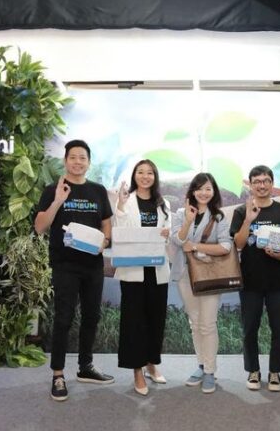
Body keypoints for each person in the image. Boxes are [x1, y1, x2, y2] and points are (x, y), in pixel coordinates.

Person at [34, 139, 114, 402]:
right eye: (73, 157)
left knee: (92, 316)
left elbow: (106, 223)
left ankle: (85, 366)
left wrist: (105, 241)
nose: (78, 162)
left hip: (92, 265)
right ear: (65, 160)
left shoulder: (98, 191)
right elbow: (40, 227)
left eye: (83, 158)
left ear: (88, 162)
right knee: (63, 319)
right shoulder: (53, 189)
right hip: (65, 265)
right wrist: (58, 201)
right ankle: (58, 374)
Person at [230, 165, 280, 392]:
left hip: (279, 280)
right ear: (250, 185)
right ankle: (253, 371)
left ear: (272, 183)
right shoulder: (241, 211)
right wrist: (249, 219)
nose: (262, 185)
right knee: (250, 328)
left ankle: (275, 371)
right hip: (250, 280)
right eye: (257, 181)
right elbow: (238, 244)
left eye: (266, 180)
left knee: (279, 328)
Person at [169, 173, 233, 394]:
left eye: (208, 188)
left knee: (208, 324)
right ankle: (201, 365)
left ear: (213, 191)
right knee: (195, 323)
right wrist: (188, 221)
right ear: (192, 191)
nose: (204, 193)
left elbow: (226, 246)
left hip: (209, 275)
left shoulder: (219, 217)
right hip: (185, 275)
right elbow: (177, 240)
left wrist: (196, 246)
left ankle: (210, 371)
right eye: (200, 188)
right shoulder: (180, 213)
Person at [114, 159, 171, 396]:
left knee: (156, 319)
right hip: (133, 270)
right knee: (134, 321)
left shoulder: (163, 203)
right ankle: (137, 370)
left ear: (155, 177)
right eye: (140, 172)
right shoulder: (126, 201)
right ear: (134, 175)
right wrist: (120, 204)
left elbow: (168, 235)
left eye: (150, 173)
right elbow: (119, 230)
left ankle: (151, 363)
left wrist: (167, 234)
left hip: (157, 270)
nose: (145, 176)